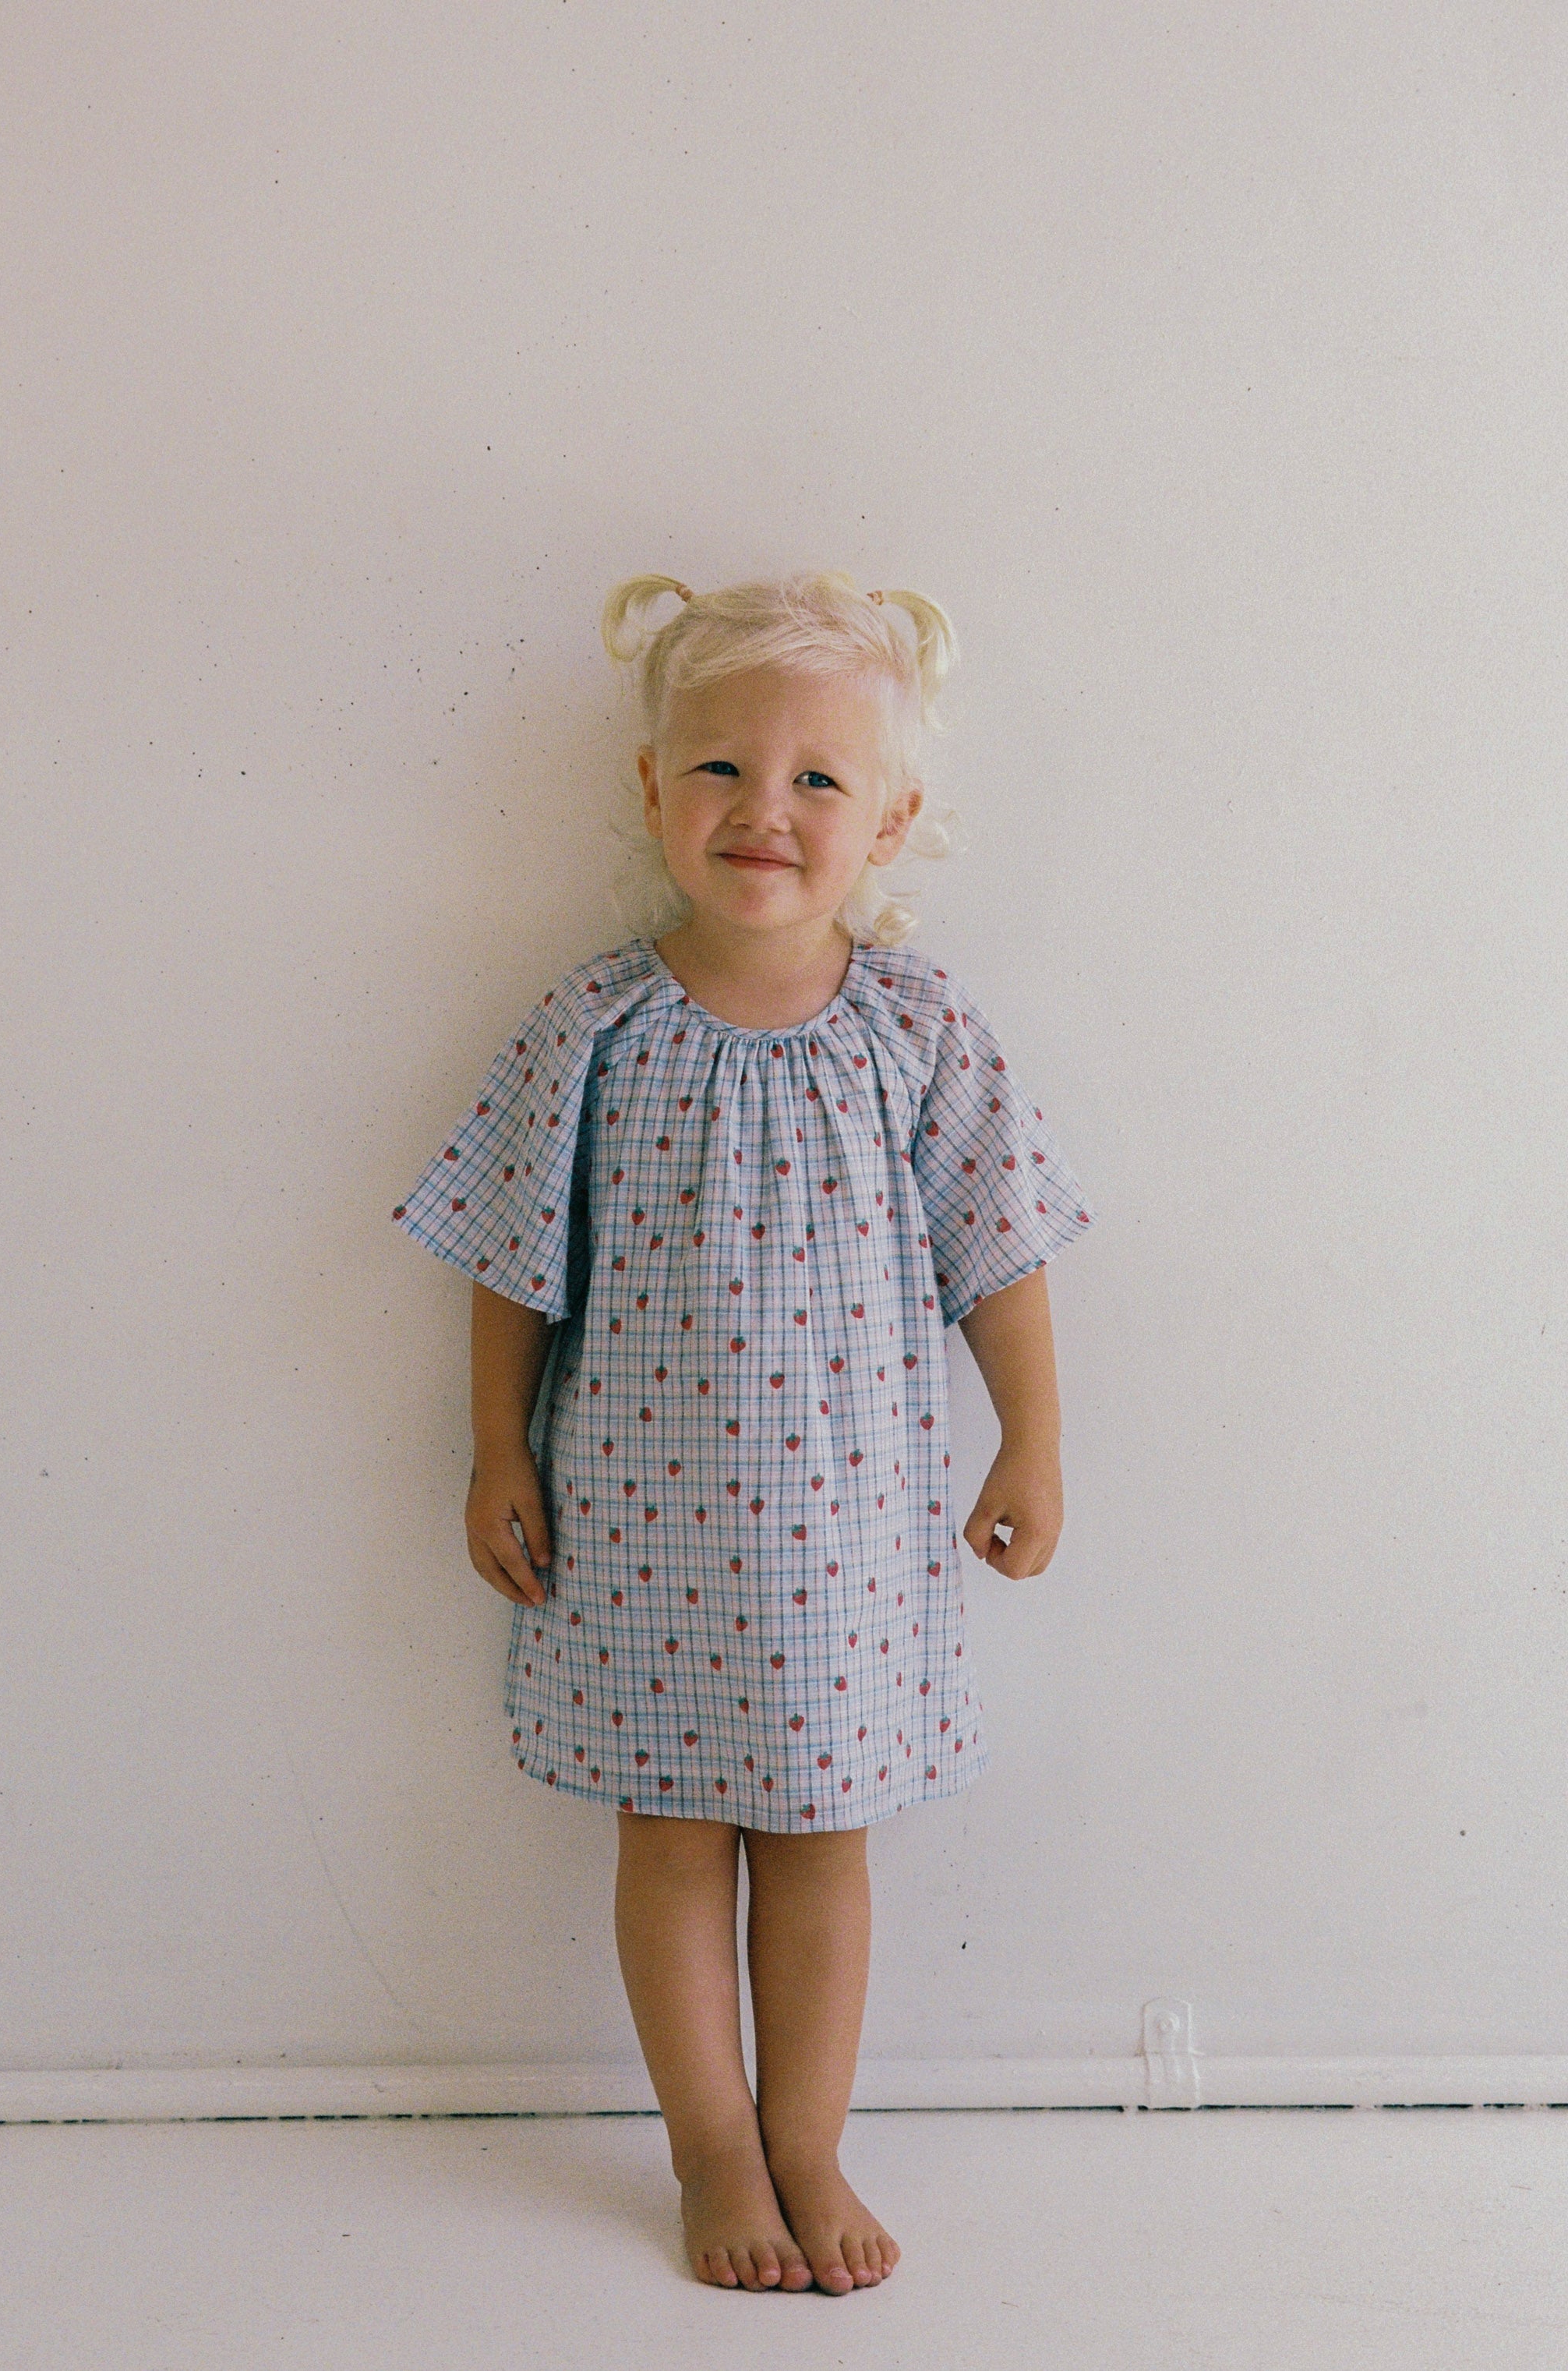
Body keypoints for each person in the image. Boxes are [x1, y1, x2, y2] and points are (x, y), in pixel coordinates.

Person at [392, 570, 1094, 2295]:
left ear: (892, 819)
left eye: (817, 781)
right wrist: (496, 1450)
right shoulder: (594, 1031)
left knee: (823, 1837)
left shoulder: (919, 1037)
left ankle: (806, 2139)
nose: (761, 811)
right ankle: (712, 2148)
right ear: (651, 789)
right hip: (638, 1533)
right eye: (717, 769)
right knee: (670, 1833)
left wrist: (1033, 1444)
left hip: (847, 1547)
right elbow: (508, 1262)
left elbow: (997, 1257)